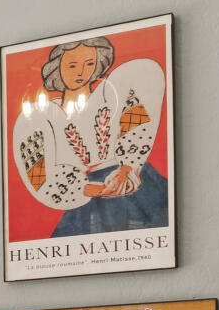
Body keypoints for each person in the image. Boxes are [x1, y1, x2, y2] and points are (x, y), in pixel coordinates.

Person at [38, 34, 168, 239]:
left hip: (127, 182)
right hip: (79, 195)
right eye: (72, 65)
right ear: (57, 67)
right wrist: (85, 189)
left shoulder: (112, 95)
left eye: (90, 63)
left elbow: (138, 119)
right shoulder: (43, 115)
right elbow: (39, 170)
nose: (81, 72)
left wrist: (127, 167)